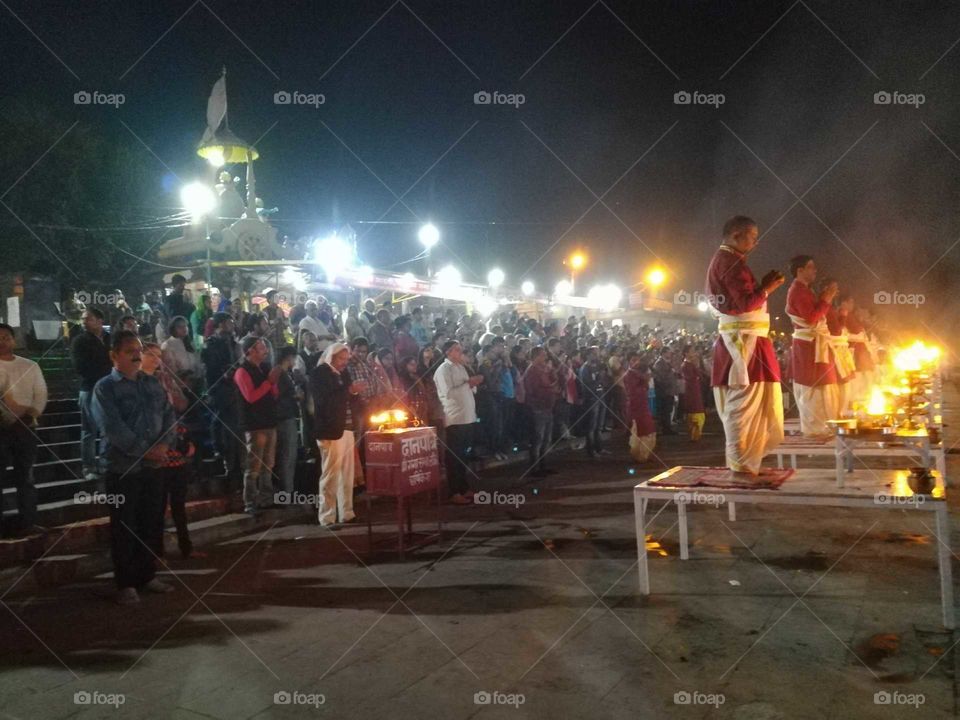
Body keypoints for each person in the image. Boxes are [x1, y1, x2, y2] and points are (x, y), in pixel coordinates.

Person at [92, 331, 175, 604]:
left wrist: (163, 445)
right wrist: (147, 451)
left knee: (150, 522)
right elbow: (113, 428)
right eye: (130, 350)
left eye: (139, 349)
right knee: (125, 526)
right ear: (114, 355)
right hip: (123, 467)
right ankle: (125, 583)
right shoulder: (105, 388)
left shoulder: (152, 384)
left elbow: (168, 416)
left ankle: (147, 575)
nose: (137, 354)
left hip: (154, 467)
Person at [705, 216, 785, 475]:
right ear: (736, 235)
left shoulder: (730, 260)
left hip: (745, 342)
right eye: (752, 235)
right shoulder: (729, 262)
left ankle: (744, 464)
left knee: (747, 405)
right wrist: (766, 289)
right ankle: (740, 466)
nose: (756, 241)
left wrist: (763, 286)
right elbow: (743, 305)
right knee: (742, 407)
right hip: (743, 345)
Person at [141, 342, 197, 559]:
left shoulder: (165, 380)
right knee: (157, 506)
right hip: (156, 451)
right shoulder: (141, 384)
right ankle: (156, 551)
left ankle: (186, 546)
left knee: (179, 504)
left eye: (159, 355)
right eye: (151, 355)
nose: (157, 360)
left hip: (175, 447)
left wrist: (170, 385)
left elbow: (181, 406)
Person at [311, 342, 366, 526]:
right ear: (331, 357)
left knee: (347, 474)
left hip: (347, 428)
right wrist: (349, 390)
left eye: (346, 359)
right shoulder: (320, 374)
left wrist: (355, 392)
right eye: (341, 359)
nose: (344, 363)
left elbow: (349, 398)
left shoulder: (343, 373)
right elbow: (324, 401)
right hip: (330, 430)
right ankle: (327, 516)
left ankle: (346, 512)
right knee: (330, 474)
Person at [0, 323, 47, 536]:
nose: (3, 341)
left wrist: (30, 414)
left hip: (26, 428)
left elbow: (41, 393)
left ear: (14, 340)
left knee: (26, 477)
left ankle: (28, 522)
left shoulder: (30, 366)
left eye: (6, 337)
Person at [786, 256, 841, 435]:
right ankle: (816, 430)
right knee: (814, 388)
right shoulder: (798, 291)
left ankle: (825, 426)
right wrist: (826, 299)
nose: (815, 270)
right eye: (811, 267)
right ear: (799, 270)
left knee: (823, 386)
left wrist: (825, 298)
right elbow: (811, 318)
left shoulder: (805, 290)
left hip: (815, 345)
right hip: (809, 347)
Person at [234, 336, 283, 515]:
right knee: (254, 465)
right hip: (254, 425)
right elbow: (251, 396)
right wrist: (269, 382)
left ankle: (266, 498)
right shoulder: (242, 371)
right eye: (262, 348)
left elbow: (273, 394)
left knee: (268, 463)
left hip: (269, 421)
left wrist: (273, 383)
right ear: (250, 351)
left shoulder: (263, 368)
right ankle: (250, 502)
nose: (266, 351)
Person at [434, 340, 483, 503]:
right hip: (455, 418)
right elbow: (448, 393)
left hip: (468, 416)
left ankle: (464, 487)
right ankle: (454, 491)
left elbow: (469, 389)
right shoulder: (443, 370)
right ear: (448, 352)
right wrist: (468, 384)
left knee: (464, 455)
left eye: (460, 350)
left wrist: (472, 383)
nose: (460, 353)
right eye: (457, 350)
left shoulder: (460, 367)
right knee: (454, 457)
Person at [201, 313, 243, 487]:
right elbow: (208, 370)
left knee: (236, 428)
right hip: (219, 390)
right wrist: (222, 375)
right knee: (223, 426)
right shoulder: (211, 345)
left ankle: (235, 467)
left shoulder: (234, 343)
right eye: (228, 322)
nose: (231, 325)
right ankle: (227, 462)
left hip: (235, 390)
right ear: (219, 325)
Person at [70, 308, 112, 481]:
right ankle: (88, 466)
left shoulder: (110, 339)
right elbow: (80, 367)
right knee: (89, 430)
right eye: (83, 319)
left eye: (89, 319)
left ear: (100, 320)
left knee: (108, 428)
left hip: (110, 389)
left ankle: (105, 463)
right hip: (89, 389)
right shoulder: (80, 341)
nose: (84, 322)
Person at [524, 346, 560, 475]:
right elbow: (533, 391)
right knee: (538, 439)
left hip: (547, 407)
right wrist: (551, 389)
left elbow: (552, 380)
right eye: (543, 355)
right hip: (538, 409)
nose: (545, 357)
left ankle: (542, 466)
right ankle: (534, 469)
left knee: (545, 439)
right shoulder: (532, 371)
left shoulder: (543, 369)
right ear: (536, 357)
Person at [274, 347, 301, 499]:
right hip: (284, 417)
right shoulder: (279, 374)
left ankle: (287, 490)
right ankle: (286, 492)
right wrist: (296, 395)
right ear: (289, 358)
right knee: (287, 455)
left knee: (288, 455)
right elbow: (280, 396)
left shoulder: (284, 373)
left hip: (286, 416)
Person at [622, 350, 656, 461]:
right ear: (629, 362)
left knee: (646, 427)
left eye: (637, 360)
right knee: (640, 429)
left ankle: (644, 453)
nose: (636, 362)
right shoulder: (629, 375)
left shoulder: (638, 373)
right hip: (636, 404)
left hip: (643, 403)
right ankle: (639, 454)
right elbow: (632, 391)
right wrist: (644, 383)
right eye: (633, 360)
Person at [578, 347, 609, 457]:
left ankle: (599, 448)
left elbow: (604, 382)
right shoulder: (585, 369)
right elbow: (587, 386)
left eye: (597, 353)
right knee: (591, 426)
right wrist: (599, 379)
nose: (597, 356)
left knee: (599, 426)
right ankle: (591, 451)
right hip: (591, 399)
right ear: (588, 355)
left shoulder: (598, 367)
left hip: (600, 397)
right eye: (594, 354)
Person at [161, 316, 203, 393]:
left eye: (185, 326)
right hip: (180, 386)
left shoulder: (190, 343)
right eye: (180, 327)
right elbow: (170, 369)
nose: (184, 328)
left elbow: (198, 361)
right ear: (173, 329)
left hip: (196, 383)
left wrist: (197, 375)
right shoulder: (168, 345)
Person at [679, 345, 706, 441]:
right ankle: (694, 433)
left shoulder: (692, 364)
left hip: (696, 389)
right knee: (693, 409)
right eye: (691, 351)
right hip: (691, 390)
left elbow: (700, 375)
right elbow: (690, 378)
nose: (694, 353)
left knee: (697, 408)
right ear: (686, 353)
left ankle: (697, 432)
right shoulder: (685, 365)